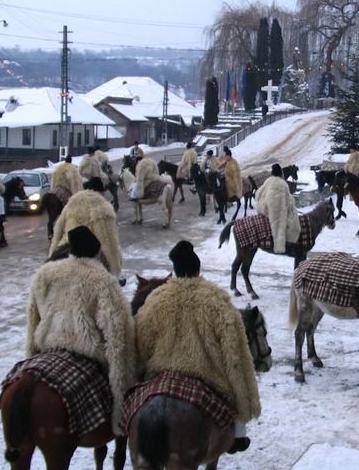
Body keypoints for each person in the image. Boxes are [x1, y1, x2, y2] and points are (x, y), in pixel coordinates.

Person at [134, 240, 261, 454]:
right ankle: (237, 437)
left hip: (160, 375)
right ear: (198, 269)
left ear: (174, 271)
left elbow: (141, 343)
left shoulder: (156, 299)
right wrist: (244, 402)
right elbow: (235, 354)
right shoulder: (217, 301)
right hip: (207, 376)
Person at [27, 225, 135, 435]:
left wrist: (30, 358)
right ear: (97, 252)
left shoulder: (45, 274)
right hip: (88, 353)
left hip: (48, 349)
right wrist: (123, 391)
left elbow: (32, 320)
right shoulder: (104, 281)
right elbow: (119, 336)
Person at [48, 189, 123, 276]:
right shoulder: (102, 207)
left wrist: (51, 257)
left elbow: (57, 233)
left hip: (67, 251)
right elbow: (109, 242)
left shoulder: (69, 206)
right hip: (92, 257)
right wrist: (116, 272)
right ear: (101, 192)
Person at [255, 163, 301, 254]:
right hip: (277, 214)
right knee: (295, 226)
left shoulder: (268, 181)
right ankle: (287, 245)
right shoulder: (283, 184)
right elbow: (288, 201)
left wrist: (264, 204)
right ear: (281, 173)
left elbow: (258, 194)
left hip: (265, 211)